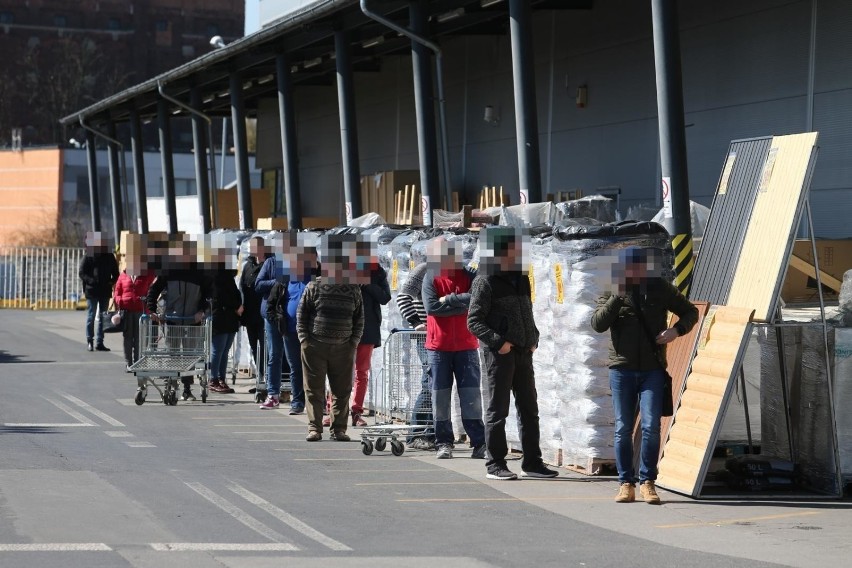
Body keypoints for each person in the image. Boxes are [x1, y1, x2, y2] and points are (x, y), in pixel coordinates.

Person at [591, 246, 698, 504]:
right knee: (623, 428)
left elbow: (691, 312)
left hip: (652, 369)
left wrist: (677, 330)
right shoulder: (612, 288)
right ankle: (625, 483)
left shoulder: (659, 287)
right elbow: (598, 324)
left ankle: (648, 482)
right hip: (622, 369)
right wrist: (618, 297)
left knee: (651, 426)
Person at [467, 227, 558, 480]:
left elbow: (527, 313)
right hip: (499, 355)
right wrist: (499, 343)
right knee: (498, 410)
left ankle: (532, 462)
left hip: (524, 353)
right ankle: (495, 463)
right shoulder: (485, 281)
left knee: (529, 408)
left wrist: (534, 338)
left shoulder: (521, 278)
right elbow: (474, 321)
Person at [421, 237, 486, 460]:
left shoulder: (469, 274)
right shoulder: (430, 277)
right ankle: (443, 443)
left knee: (471, 397)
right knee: (441, 397)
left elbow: (477, 297)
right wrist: (461, 306)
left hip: (466, 346)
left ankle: (479, 442)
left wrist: (449, 299)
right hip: (438, 348)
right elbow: (432, 308)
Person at [298, 234, 364, 442]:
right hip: (315, 346)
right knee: (314, 390)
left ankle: (339, 429)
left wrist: (353, 342)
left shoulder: (353, 289)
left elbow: (360, 317)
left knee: (342, 391)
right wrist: (305, 340)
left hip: (343, 348)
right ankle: (314, 428)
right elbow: (302, 315)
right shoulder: (314, 287)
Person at [146, 237, 211, 401]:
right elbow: (153, 290)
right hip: (172, 320)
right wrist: (152, 310)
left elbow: (210, 295)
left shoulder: (200, 271)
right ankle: (171, 384)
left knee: (189, 355)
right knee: (172, 353)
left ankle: (187, 389)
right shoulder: (168, 270)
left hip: (193, 320)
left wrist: (202, 311)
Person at [260, 233, 317, 413]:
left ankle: (314, 401)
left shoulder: (316, 278)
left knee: (313, 366)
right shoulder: (285, 280)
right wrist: (279, 321)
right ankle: (297, 402)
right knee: (294, 367)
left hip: (311, 330)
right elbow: (272, 303)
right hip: (290, 330)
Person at [350, 242, 390, 427]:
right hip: (345, 329)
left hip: (368, 329)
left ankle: (356, 412)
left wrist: (366, 283)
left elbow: (385, 297)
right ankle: (334, 411)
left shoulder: (378, 273)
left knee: (361, 373)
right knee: (339, 372)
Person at [396, 261, 434, 450]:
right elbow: (403, 297)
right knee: (430, 381)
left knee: (436, 383)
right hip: (425, 335)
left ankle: (431, 432)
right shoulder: (424, 268)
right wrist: (416, 322)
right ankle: (417, 434)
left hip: (443, 334)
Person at [79, 232, 119, 352]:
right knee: (91, 315)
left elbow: (116, 273)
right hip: (92, 290)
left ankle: (99, 342)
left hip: (105, 290)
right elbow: (82, 273)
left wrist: (111, 282)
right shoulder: (88, 256)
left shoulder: (109, 256)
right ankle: (90, 340)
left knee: (103, 317)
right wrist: (91, 281)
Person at [208, 259, 243, 394]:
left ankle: (221, 378)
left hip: (230, 318)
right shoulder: (214, 276)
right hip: (220, 317)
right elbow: (220, 296)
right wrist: (236, 305)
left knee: (224, 351)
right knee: (218, 350)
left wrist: (238, 305)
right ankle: (213, 379)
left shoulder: (228, 277)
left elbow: (235, 293)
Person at [113, 260, 155, 371]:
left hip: (141, 311)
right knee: (127, 338)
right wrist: (120, 301)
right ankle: (128, 363)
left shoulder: (147, 275)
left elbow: (153, 288)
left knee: (138, 338)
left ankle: (137, 362)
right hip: (126, 311)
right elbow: (117, 291)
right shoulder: (123, 275)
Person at [239, 236, 268, 390]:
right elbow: (242, 286)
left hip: (263, 313)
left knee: (265, 348)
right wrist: (241, 305)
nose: (251, 249)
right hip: (250, 314)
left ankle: (267, 381)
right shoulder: (248, 265)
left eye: (254, 246)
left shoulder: (268, 264)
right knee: (254, 347)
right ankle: (260, 380)